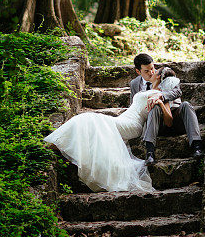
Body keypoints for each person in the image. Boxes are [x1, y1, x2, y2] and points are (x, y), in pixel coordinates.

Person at [42, 67, 180, 193]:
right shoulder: (148, 90)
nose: (152, 71)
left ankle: (56, 144)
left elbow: (169, 121)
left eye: (155, 71)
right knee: (87, 119)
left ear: (159, 77)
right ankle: (58, 144)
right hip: (123, 118)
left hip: (132, 124)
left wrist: (161, 102)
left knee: (90, 118)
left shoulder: (161, 95)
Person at [130, 53, 204, 167]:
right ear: (138, 71)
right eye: (147, 71)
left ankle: (197, 147)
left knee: (186, 105)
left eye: (152, 68)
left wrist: (160, 96)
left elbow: (177, 92)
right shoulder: (135, 84)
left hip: (175, 118)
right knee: (154, 108)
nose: (152, 72)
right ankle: (150, 152)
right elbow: (133, 106)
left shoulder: (165, 75)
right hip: (155, 123)